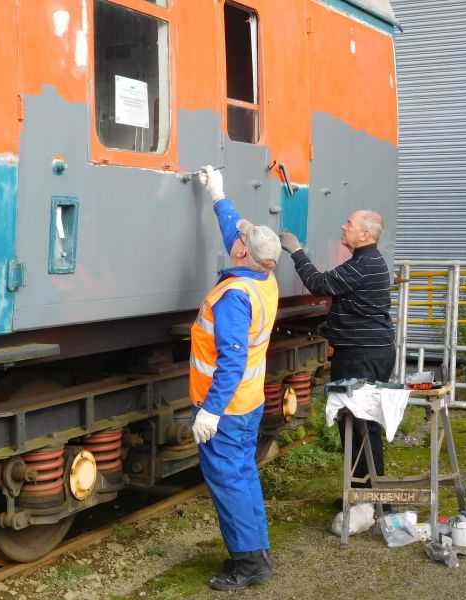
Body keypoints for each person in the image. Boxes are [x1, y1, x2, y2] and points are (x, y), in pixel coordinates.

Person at [190, 165, 281, 591]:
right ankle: (257, 551)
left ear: (243, 253)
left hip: (225, 407)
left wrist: (210, 411)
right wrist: (218, 196)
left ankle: (247, 565)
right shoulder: (265, 278)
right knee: (243, 475)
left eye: (240, 240)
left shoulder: (233, 298)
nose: (235, 241)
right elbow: (235, 233)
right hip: (249, 403)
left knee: (229, 481)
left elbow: (230, 361)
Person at [279, 211, 395, 498]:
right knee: (359, 426)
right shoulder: (368, 262)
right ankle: (362, 494)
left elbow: (318, 283)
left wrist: (296, 251)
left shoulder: (363, 265)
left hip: (361, 356)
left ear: (364, 235)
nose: (343, 226)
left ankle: (369, 500)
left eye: (350, 224)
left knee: (360, 427)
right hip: (370, 351)